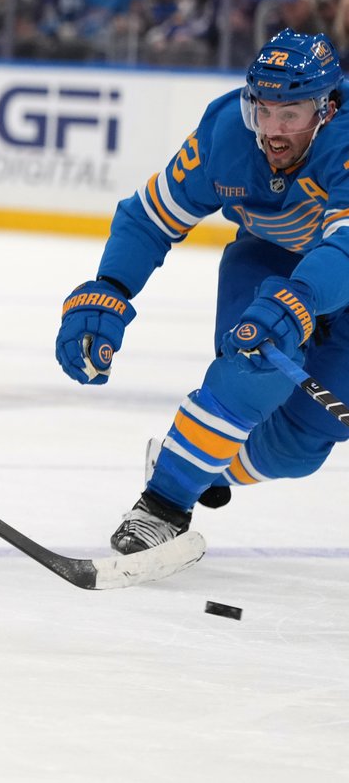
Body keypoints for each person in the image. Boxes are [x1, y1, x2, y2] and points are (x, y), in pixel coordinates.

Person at [56, 29, 349, 554]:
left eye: (293, 114)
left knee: (303, 446)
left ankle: (199, 458)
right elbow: (149, 218)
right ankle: (164, 503)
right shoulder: (226, 135)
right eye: (265, 110)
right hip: (267, 261)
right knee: (255, 357)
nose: (274, 130)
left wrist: (303, 298)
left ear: (326, 110)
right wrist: (110, 287)